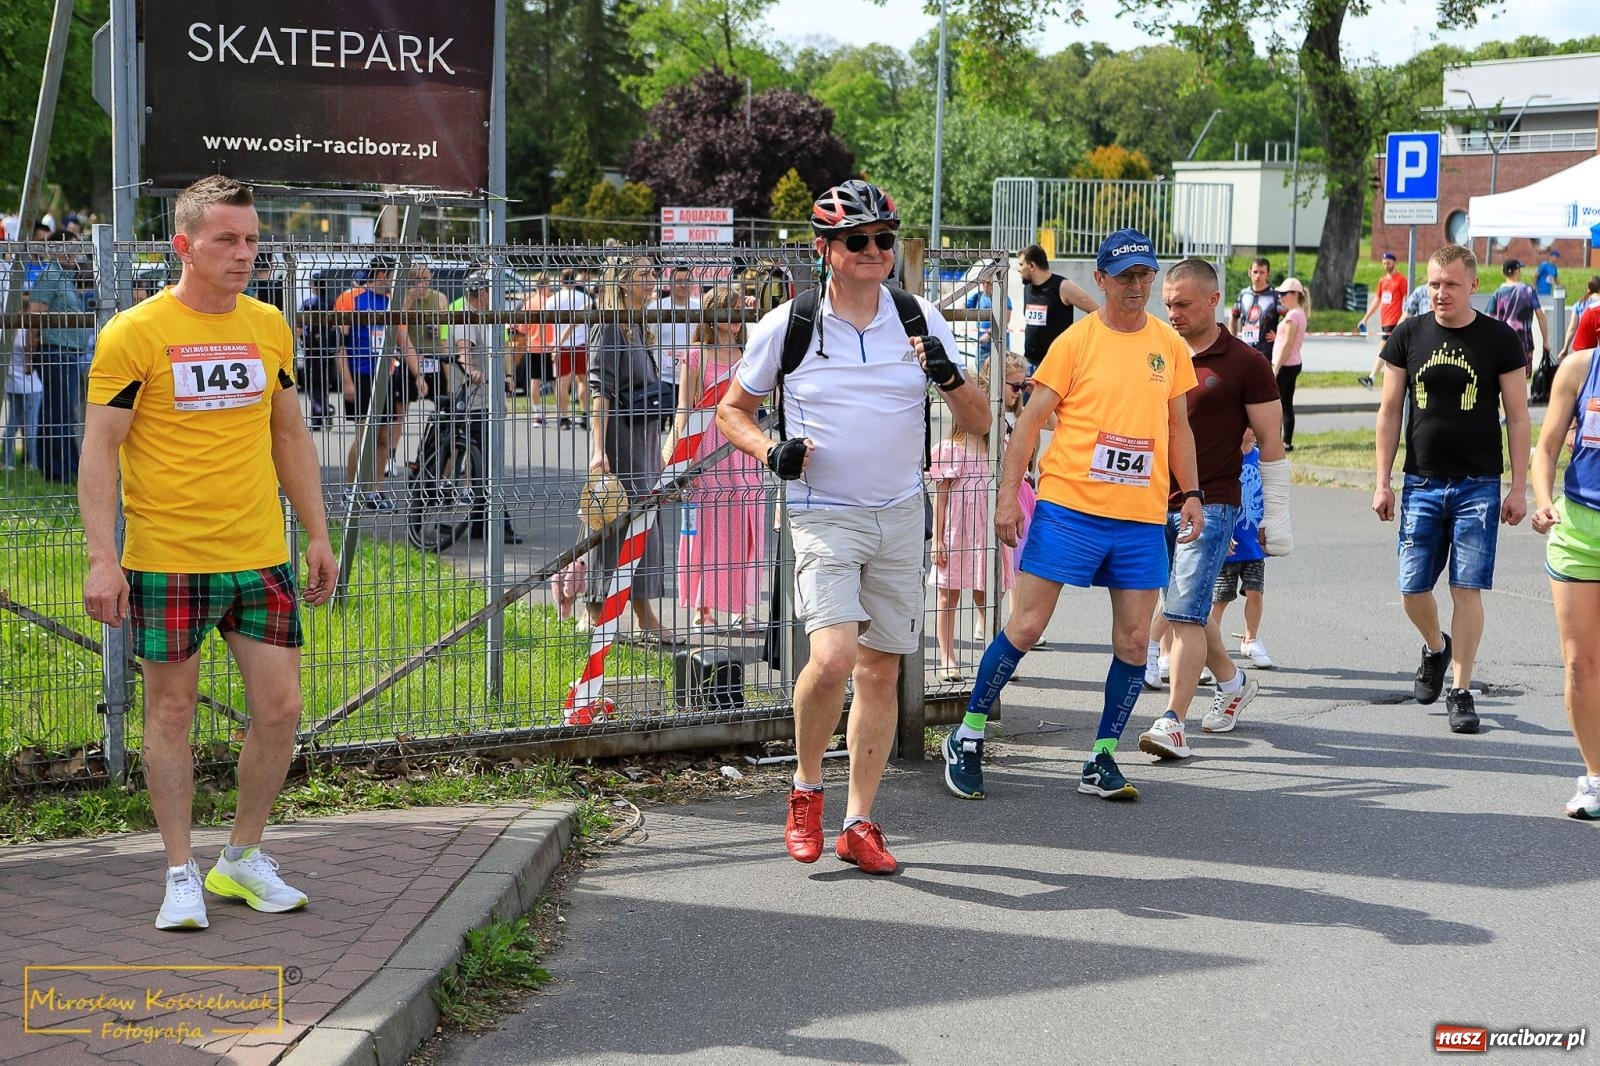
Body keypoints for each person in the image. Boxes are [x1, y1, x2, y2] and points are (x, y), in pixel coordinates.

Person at [78, 174, 337, 931]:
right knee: (172, 712)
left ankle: (242, 858)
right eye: (227, 239)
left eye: (252, 239)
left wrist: (316, 532)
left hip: (260, 555)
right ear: (183, 245)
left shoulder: (268, 327)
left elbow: (288, 434)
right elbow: (99, 451)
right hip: (169, 558)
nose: (244, 253)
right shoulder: (134, 333)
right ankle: (179, 870)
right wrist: (103, 556)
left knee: (281, 709)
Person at [717, 179, 989, 873]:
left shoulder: (918, 315)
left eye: (885, 239)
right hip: (822, 512)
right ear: (825, 250)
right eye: (858, 240)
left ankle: (859, 821)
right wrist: (769, 450)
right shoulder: (791, 324)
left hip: (901, 513)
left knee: (879, 671)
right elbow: (731, 411)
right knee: (833, 657)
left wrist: (949, 379)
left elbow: (982, 421)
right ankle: (806, 788)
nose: (875, 251)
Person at [944, 227, 1200, 804]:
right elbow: (1030, 422)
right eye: (1125, 276)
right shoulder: (1076, 343)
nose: (1137, 286)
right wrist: (1008, 495)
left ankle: (1102, 757)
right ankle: (968, 734)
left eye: (1145, 275)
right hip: (1069, 509)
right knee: (1028, 627)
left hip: (1138, 517)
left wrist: (1192, 493)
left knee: (1135, 641)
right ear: (1102, 281)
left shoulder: (1168, 345)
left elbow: (1178, 426)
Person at [1135, 259, 1289, 761]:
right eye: (1168, 303)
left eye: (1183, 303)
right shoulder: (1153, 349)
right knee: (1192, 609)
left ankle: (1172, 721)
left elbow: (1271, 443)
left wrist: (1275, 518)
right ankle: (1233, 680)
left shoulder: (1246, 363)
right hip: (1153, 499)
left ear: (1213, 299)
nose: (1173, 312)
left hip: (1214, 503)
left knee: (1182, 611)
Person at [1373, 243, 1530, 734]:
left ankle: (1460, 691)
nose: (1440, 293)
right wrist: (1382, 480)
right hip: (1420, 481)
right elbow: (1389, 411)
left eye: (1451, 285)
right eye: (1435, 283)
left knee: (1467, 589)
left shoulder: (1499, 339)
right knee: (1412, 588)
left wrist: (1518, 488)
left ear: (1473, 285)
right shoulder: (1408, 334)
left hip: (1478, 484)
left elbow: (1519, 418)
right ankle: (1436, 648)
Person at [1529, 340, 1600, 818]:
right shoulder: (1580, 367)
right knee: (1581, 663)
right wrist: (1541, 497)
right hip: (1578, 531)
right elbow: (1547, 445)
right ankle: (1596, 778)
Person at [674, 286, 765, 630]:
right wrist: (684, 458)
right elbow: (684, 407)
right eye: (733, 308)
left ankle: (743, 605)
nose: (739, 315)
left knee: (746, 523)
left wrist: (758, 309)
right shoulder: (696, 354)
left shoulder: (750, 351)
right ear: (714, 316)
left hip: (742, 446)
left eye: (742, 308)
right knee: (708, 527)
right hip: (707, 447)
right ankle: (703, 605)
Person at [587, 258, 670, 636]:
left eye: (653, 274)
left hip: (645, 439)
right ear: (621, 284)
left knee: (643, 522)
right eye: (643, 275)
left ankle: (641, 612)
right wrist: (598, 450)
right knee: (613, 522)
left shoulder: (637, 324)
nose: (652, 281)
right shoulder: (609, 326)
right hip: (621, 439)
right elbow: (599, 391)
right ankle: (597, 609)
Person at [930, 375, 1013, 681]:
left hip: (987, 533)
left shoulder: (1000, 447)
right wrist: (937, 541)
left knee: (987, 595)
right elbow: (941, 498)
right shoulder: (951, 448)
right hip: (957, 532)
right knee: (947, 596)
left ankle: (992, 659)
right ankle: (947, 657)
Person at [451, 274, 523, 545]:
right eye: (492, 292)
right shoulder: (466, 319)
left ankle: (482, 524)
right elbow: (463, 352)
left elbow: (500, 350)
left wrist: (505, 378)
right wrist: (471, 370)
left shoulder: (490, 318)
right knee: (488, 464)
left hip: (489, 400)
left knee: (487, 463)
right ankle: (499, 524)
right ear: (481, 293)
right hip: (473, 402)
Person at [336, 256, 404, 510]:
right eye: (395, 276)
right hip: (360, 375)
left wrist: (418, 374)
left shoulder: (391, 303)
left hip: (385, 377)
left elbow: (402, 341)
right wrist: (347, 381)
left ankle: (375, 492)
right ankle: (350, 488)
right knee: (365, 436)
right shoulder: (351, 299)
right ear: (382, 275)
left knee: (384, 437)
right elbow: (339, 345)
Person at [27, 231, 91, 483]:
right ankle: (58, 470)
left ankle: (67, 466)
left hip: (69, 353)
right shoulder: (51, 274)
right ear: (52, 250)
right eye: (66, 248)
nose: (72, 253)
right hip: (56, 352)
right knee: (58, 414)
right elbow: (35, 314)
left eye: (74, 248)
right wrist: (31, 353)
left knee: (62, 412)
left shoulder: (64, 276)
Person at [1211, 430, 1272, 668]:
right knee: (1220, 599)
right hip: (1230, 543)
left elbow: (1269, 496)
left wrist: (1270, 528)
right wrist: (1221, 533)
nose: (1256, 429)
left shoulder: (1261, 459)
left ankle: (1251, 639)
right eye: (1250, 425)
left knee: (1255, 592)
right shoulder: (1226, 459)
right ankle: (1210, 645)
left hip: (1253, 542)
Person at [1016, 244, 1099, 373]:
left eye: (1021, 265)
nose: (1018, 269)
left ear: (1032, 266)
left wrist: (1083, 339)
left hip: (1057, 366)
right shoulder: (1028, 288)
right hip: (1031, 365)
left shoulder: (1063, 286)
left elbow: (1095, 311)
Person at [649, 266, 701, 427]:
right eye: (679, 281)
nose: (683, 285)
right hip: (661, 377)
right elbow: (648, 341)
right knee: (655, 428)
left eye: (687, 281)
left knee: (684, 428)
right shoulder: (655, 308)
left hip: (690, 378)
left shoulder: (699, 309)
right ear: (670, 284)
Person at [1488, 259, 1548, 377]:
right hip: (1525, 343)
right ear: (1515, 272)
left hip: (1503, 343)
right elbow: (1540, 316)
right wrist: (1545, 340)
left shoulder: (1498, 293)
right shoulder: (1528, 290)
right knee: (1523, 378)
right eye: (1519, 270)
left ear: (1503, 273)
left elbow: (1490, 319)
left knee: (1504, 378)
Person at [296, 275, 342, 428]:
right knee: (324, 382)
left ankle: (319, 413)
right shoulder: (331, 303)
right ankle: (323, 407)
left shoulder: (309, 304)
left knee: (312, 384)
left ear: (314, 285)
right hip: (328, 349)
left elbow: (301, 327)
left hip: (312, 349)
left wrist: (301, 338)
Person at [550, 269, 593, 430]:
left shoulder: (553, 299)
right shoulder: (584, 298)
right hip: (582, 343)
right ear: (574, 281)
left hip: (562, 343)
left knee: (562, 381)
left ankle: (564, 416)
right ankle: (585, 413)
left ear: (561, 281)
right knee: (583, 380)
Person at [1272, 277, 1308, 452]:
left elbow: (1287, 344)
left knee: (1276, 404)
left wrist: (1276, 367)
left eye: (1284, 294)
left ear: (1295, 294)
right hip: (1294, 362)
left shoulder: (1293, 315)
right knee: (1287, 403)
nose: (1280, 297)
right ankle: (1286, 441)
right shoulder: (1299, 312)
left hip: (1286, 364)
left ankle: (1276, 440)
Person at [3, 325, 41, 470]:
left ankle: (6, 462)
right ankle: (34, 463)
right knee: (31, 425)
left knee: (12, 423)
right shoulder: (28, 334)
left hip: (12, 384)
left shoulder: (8, 334)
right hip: (31, 385)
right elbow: (29, 358)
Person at [1228, 256, 1280, 359]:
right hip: (1245, 348)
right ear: (1249, 273)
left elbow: (1289, 318)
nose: (1258, 276)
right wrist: (1232, 339)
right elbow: (1233, 316)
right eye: (1255, 272)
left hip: (1266, 350)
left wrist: (1279, 336)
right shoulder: (1243, 294)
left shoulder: (1275, 296)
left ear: (1268, 274)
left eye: (1262, 272)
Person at [964, 276, 1010, 373]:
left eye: (988, 283)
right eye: (983, 283)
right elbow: (961, 310)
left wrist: (989, 334)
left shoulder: (1003, 298)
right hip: (983, 344)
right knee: (982, 373)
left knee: (1001, 372)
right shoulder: (978, 296)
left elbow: (1005, 320)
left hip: (1000, 342)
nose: (985, 285)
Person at [1558, 277, 1600, 360]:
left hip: (1581, 348)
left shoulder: (1580, 304)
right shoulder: (1597, 306)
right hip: (1595, 350)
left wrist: (1565, 348)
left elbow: (1572, 328)